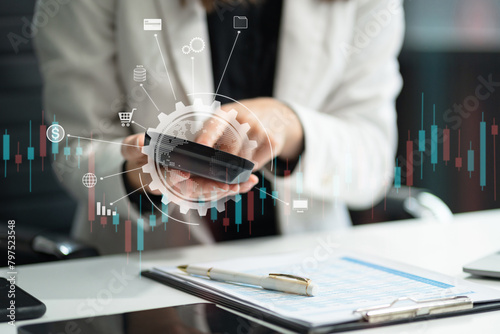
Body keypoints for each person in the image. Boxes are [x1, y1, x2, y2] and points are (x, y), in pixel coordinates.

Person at [34, 0, 404, 254]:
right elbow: (75, 150)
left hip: (306, 275)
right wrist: (139, 173)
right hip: (143, 279)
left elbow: (372, 162)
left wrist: (293, 128)